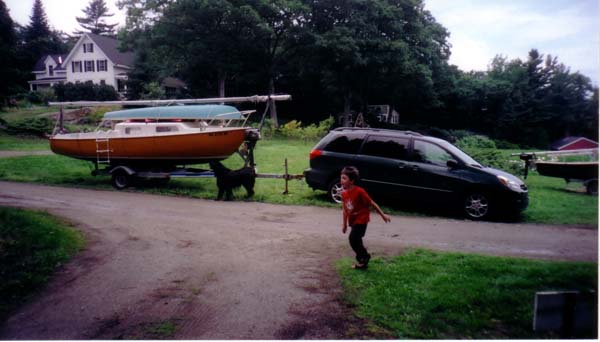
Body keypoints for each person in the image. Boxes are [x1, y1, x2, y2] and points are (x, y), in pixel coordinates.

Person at [340, 166, 391, 269]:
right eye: (341, 177)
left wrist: (383, 215)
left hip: (362, 218)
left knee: (353, 238)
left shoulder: (359, 191)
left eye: (344, 178)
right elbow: (345, 210)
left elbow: (372, 203)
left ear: (352, 181)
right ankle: (362, 260)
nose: (341, 180)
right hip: (353, 219)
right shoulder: (344, 194)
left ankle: (364, 257)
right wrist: (344, 225)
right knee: (355, 240)